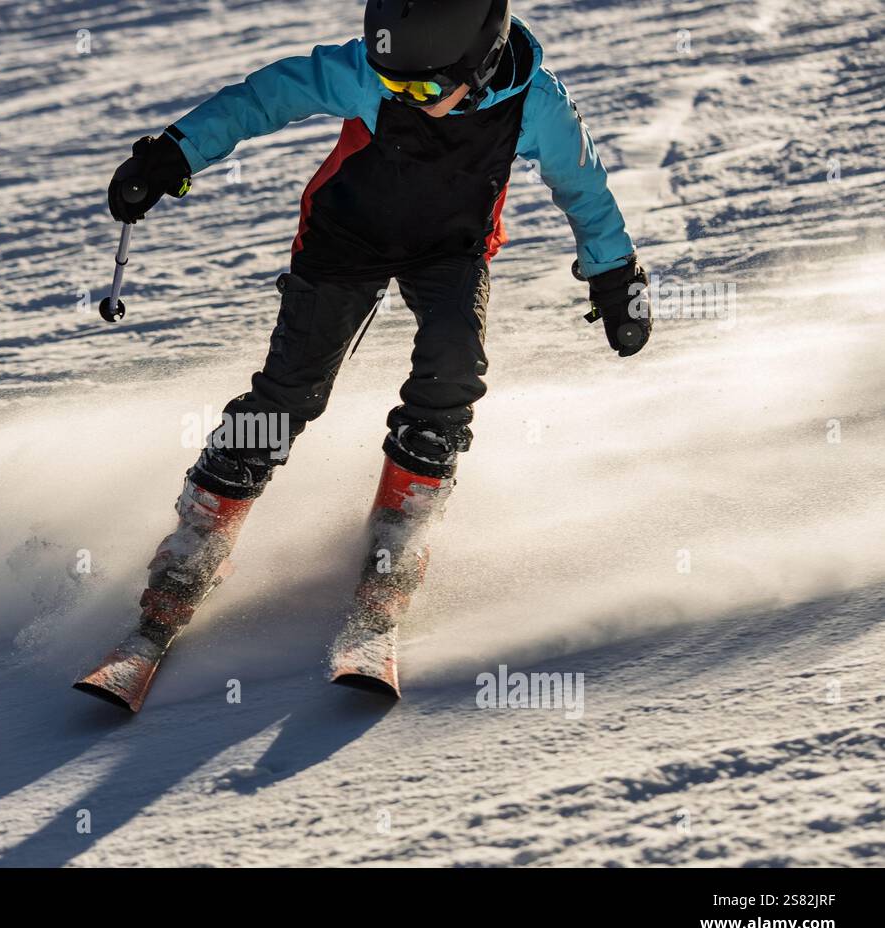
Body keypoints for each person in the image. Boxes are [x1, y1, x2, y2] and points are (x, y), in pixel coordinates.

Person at [92, 0, 653, 701]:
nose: (399, 96)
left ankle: (392, 563)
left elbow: (583, 185)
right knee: (290, 393)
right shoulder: (369, 74)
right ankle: (187, 562)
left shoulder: (535, 104)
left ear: (479, 68)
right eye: (389, 82)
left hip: (451, 250)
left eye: (419, 89)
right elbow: (266, 96)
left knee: (452, 375)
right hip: (343, 241)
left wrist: (614, 272)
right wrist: (173, 151)